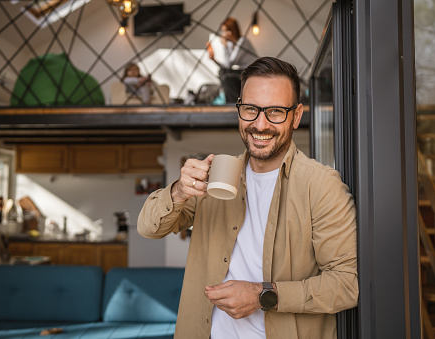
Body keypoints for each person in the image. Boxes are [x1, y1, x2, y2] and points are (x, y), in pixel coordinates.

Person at [137, 56, 358, 338]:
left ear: (297, 115)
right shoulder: (216, 175)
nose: (261, 124)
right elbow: (148, 228)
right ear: (239, 109)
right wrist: (179, 191)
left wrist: (262, 295)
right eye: (251, 109)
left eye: (276, 111)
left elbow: (346, 285)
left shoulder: (321, 185)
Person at [206, 17, 258, 103]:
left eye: (227, 31)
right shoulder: (231, 44)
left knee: (225, 74)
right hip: (242, 71)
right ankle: (231, 101)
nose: (225, 34)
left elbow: (229, 64)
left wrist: (224, 46)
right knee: (223, 72)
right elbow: (227, 66)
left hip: (252, 71)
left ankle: (232, 102)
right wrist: (213, 60)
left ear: (233, 30)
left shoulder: (242, 41)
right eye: (223, 31)